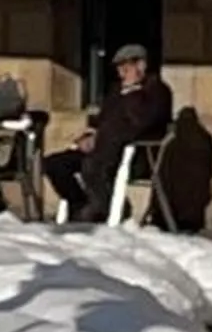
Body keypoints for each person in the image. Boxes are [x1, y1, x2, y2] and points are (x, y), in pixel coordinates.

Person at [74, 43, 174, 225]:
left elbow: (140, 123)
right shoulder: (116, 91)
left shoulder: (156, 91)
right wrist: (90, 134)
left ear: (141, 66)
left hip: (136, 154)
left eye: (125, 68)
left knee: (91, 167)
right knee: (58, 164)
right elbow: (100, 118)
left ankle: (105, 210)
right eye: (119, 69)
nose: (121, 74)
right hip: (104, 147)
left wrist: (133, 94)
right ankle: (82, 205)